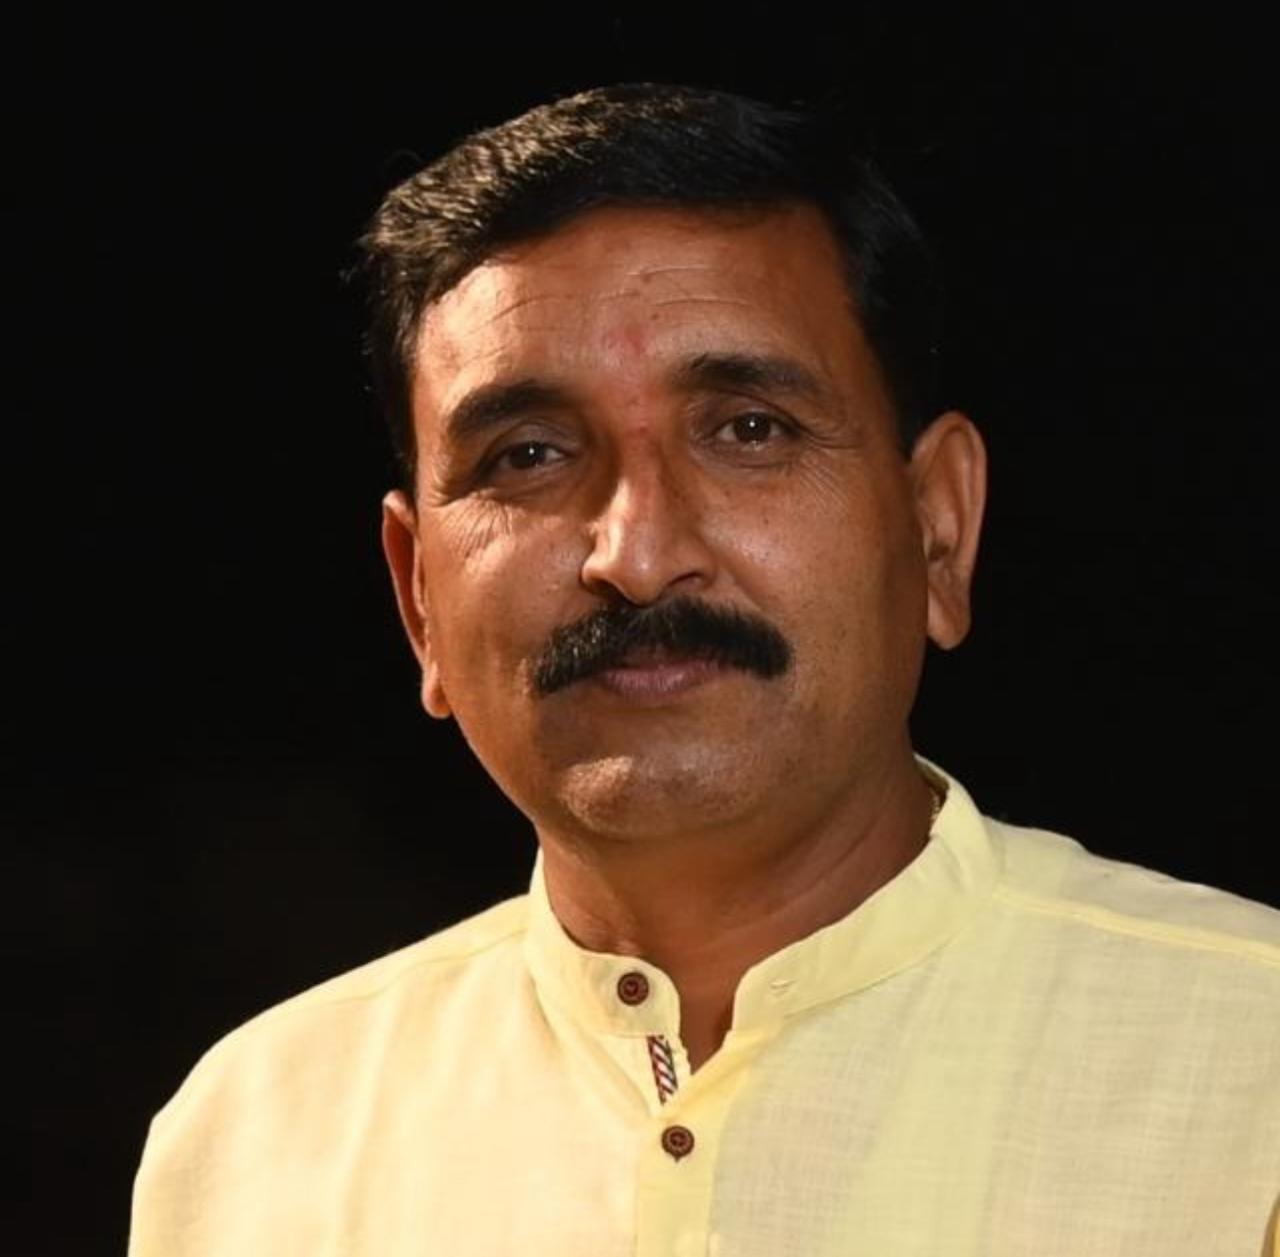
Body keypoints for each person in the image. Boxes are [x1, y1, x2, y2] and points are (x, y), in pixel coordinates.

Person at [129, 83, 1280, 1256]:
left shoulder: (1247, 1069)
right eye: (528, 455)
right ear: (418, 595)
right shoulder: (260, 1141)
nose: (635, 557)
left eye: (747, 430)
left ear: (936, 529)